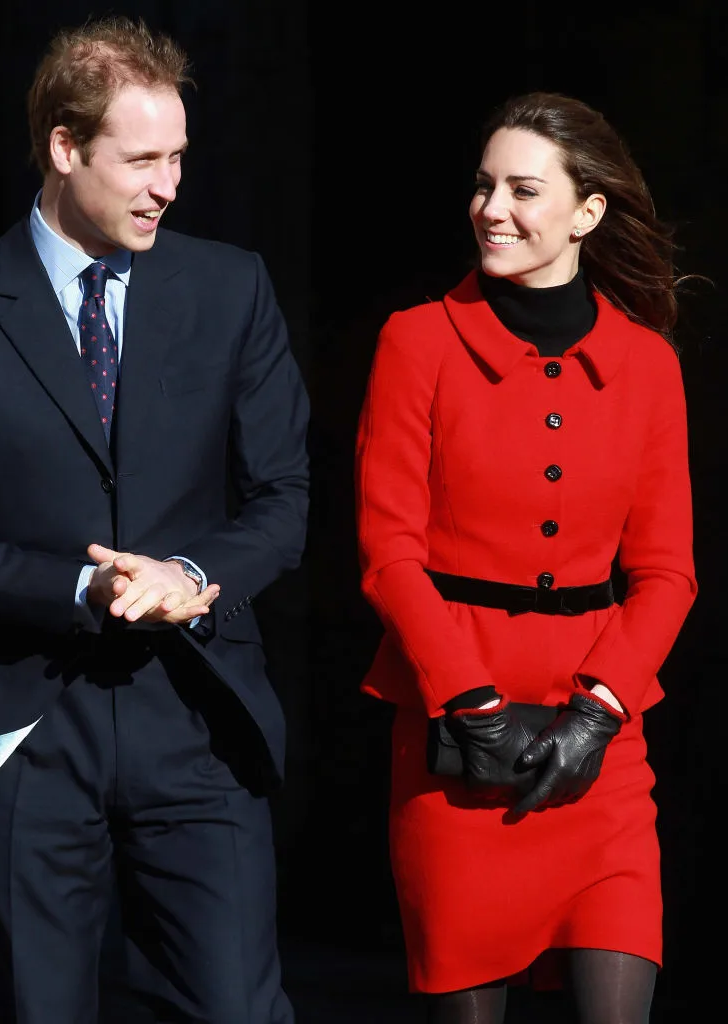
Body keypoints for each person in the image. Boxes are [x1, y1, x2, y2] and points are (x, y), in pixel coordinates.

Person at [0, 15, 308, 1024]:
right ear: (65, 149)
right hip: (29, 721)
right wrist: (82, 586)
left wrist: (189, 571)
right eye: (143, 159)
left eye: (180, 157)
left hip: (198, 712)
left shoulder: (229, 287)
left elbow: (283, 500)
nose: (169, 184)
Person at [354, 91, 697, 1023]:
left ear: (587, 212)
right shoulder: (416, 340)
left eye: (521, 189)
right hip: (456, 738)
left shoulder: (648, 364)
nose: (490, 208)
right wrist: (468, 700)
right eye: (482, 185)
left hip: (603, 749)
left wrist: (599, 713)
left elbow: (667, 571)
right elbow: (388, 550)